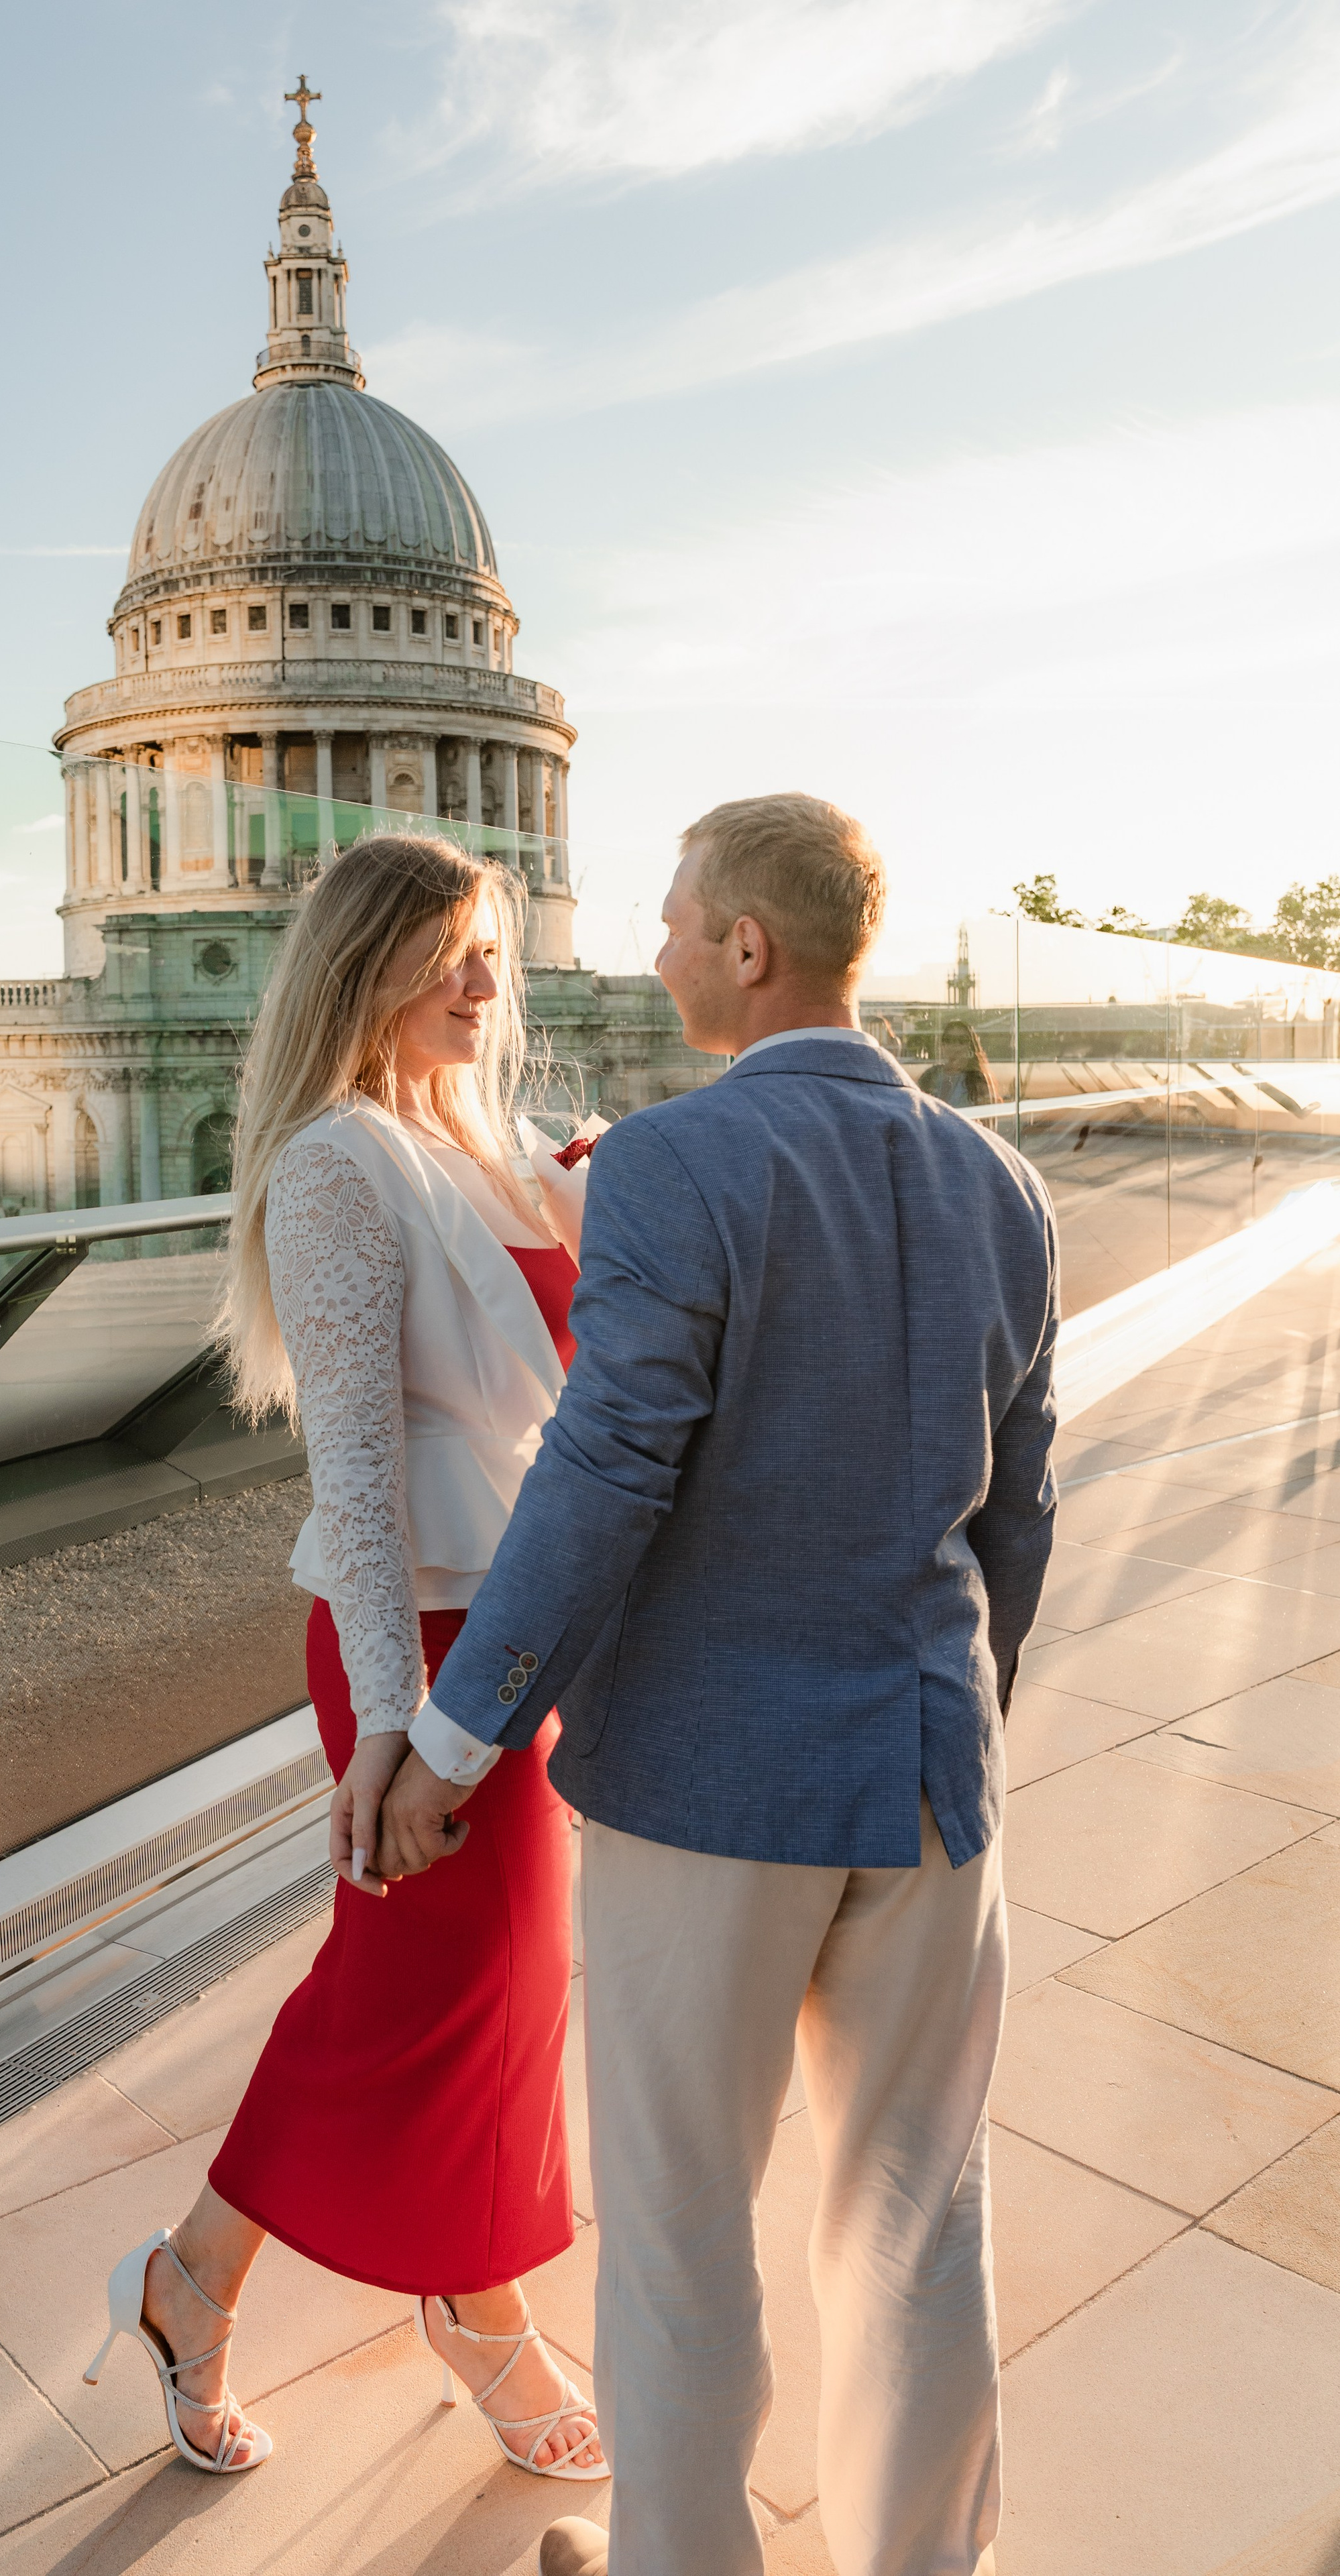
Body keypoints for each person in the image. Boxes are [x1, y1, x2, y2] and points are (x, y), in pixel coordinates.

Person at [376, 795, 1059, 2576]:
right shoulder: (1001, 1182)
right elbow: (1022, 1507)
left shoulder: (676, 1166)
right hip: (929, 1768)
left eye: (679, 922)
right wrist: (954, 1707)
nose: (657, 946)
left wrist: (461, 1731)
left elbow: (607, 1467)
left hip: (711, 1786)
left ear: (746, 948)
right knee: (921, 2224)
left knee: (683, 2235)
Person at [82, 834, 608, 2487]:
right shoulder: (334, 1164)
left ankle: (243, 2286)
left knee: (492, 1984)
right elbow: (358, 1477)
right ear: (359, 958)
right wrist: (392, 1720)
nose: (482, 979)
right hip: (429, 1639)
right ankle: (454, 2299)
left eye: (494, 951)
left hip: (518, 1624)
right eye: (446, 948)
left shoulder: (494, 1139)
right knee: (412, 1986)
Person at [919, 1019, 999, 1107]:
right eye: (949, 1040)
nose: (955, 1045)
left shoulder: (978, 1080)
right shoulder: (931, 1076)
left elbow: (987, 1117)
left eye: (962, 1041)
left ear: (971, 1047)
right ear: (943, 1045)